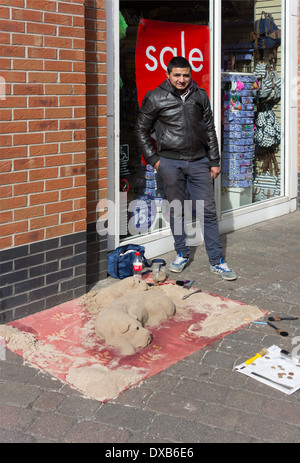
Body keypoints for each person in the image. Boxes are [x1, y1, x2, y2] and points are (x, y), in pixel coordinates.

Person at [135, 56, 236, 281]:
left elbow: (209, 129)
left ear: (191, 75)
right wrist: (155, 160)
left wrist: (215, 160)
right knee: (176, 211)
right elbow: (141, 130)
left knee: (207, 211)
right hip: (169, 163)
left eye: (186, 75)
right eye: (177, 75)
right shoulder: (155, 96)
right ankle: (181, 253)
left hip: (200, 162)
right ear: (168, 75)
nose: (181, 79)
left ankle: (217, 260)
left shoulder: (200, 96)